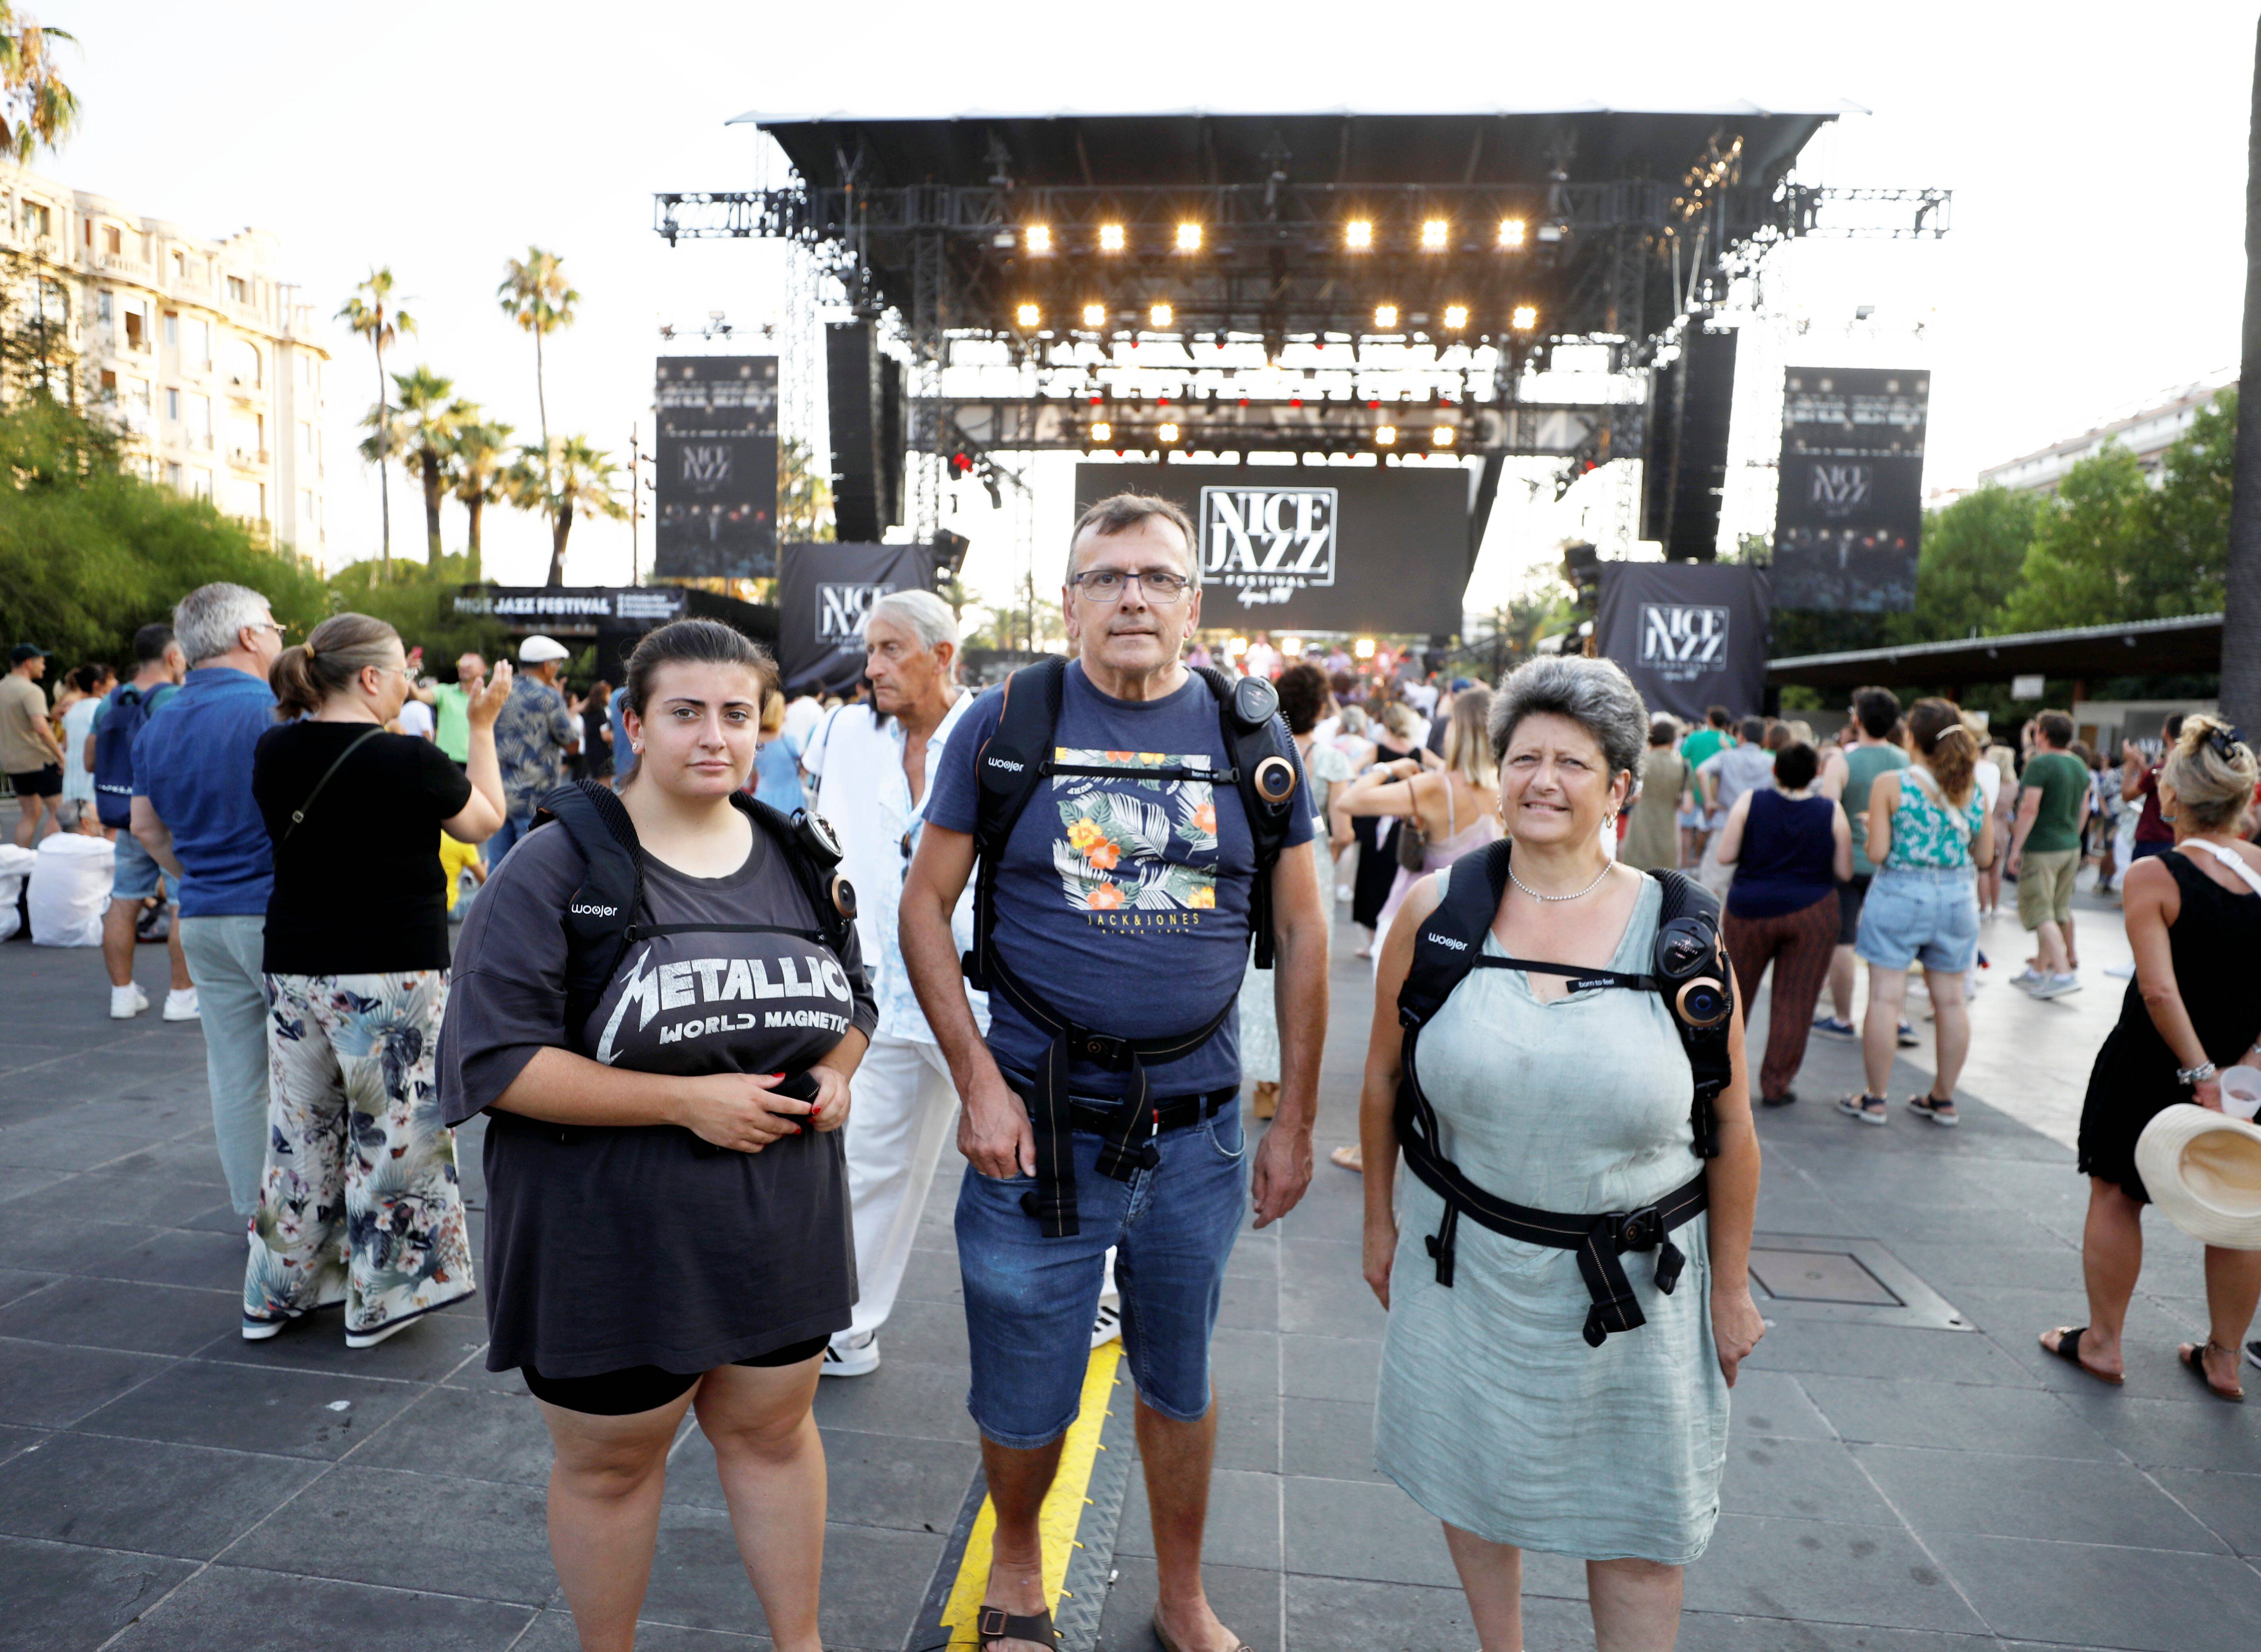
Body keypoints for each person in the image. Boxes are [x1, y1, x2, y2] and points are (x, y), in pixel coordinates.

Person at [900, 493, 1325, 1652]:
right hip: (1034, 1131)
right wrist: (976, 1082)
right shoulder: (1006, 722)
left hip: (1197, 1134)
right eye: (1107, 577)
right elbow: (924, 907)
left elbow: (1304, 936)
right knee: (1022, 1379)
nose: (1132, 596)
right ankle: (1018, 1565)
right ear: (1070, 601)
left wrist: (1292, 1120)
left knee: (1179, 1376)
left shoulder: (1251, 739)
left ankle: (1182, 1593)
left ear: (1192, 603)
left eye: (1158, 577)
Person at [438, 619, 874, 1652]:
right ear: (632, 725)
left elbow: (854, 1002)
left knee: (773, 1436)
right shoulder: (553, 869)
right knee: (612, 1467)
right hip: (609, 1243)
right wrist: (685, 1102)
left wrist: (837, 1073)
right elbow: (495, 1062)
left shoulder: (796, 855)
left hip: (776, 1233)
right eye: (684, 712)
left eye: (735, 713)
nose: (714, 735)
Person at [1358, 655, 1764, 1652]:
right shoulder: (1436, 913)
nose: (1542, 779)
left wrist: (1731, 1287)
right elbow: (1381, 1080)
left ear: (1619, 786)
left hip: (1640, 1290)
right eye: (1524, 757)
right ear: (1497, 772)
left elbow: (1731, 1126)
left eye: (1572, 762)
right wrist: (1377, 1223)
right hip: (1465, 1267)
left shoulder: (1681, 935)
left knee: (1639, 1525)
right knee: (1472, 1480)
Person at [241, 613, 508, 1344]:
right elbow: (484, 822)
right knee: (395, 1133)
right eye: (402, 673)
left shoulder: (274, 748)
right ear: (369, 677)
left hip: (294, 963)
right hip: (389, 971)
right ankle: (384, 1300)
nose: (408, 687)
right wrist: (481, 726)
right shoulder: (407, 758)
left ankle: (277, 1295)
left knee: (299, 1130)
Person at [2042, 717, 2261, 1400]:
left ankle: (2103, 1344)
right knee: (2240, 1209)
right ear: (2244, 797)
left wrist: (2198, 1074)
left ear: (2170, 795)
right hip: (2245, 1069)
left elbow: (2158, 990)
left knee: (2114, 1192)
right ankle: (2223, 1359)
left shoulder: (2153, 874)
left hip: (2150, 1059)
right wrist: (2245, 1063)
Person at [800, 589, 984, 1377]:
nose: (871, 667)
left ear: (942, 656)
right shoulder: (845, 731)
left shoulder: (994, 733)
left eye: (889, 650)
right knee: (871, 1156)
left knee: (1025, 1149)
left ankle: (1100, 1291)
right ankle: (846, 1325)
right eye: (868, 649)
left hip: (983, 995)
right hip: (884, 987)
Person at [130, 584, 286, 1214]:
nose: (279, 638)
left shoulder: (159, 720)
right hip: (279, 914)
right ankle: (311, 1225)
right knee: (313, 1072)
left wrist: (193, 871)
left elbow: (145, 828)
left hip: (203, 914)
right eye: (274, 627)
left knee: (236, 1076)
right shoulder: (276, 711)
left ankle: (257, 1214)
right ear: (249, 636)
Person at [1839, 699, 1995, 1127]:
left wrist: (1873, 828)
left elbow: (1877, 853)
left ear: (1911, 737)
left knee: (1885, 998)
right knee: (1951, 1001)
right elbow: (1985, 857)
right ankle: (1943, 1100)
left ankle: (1875, 1099)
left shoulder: (1892, 784)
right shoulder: (1973, 789)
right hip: (1958, 899)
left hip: (1900, 894)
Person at [1241, 663, 1353, 1120]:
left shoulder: (1258, 751)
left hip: (1262, 862)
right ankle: (1290, 1075)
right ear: (1320, 707)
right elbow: (1344, 829)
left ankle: (1263, 1078)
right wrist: (1331, 852)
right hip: (1312, 865)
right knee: (1303, 958)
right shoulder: (1331, 761)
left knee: (1260, 965)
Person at [1713, 741, 1851, 1107]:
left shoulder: (1750, 802)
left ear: (1774, 771)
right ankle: (1776, 1083)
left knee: (1735, 995)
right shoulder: (1831, 811)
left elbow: (1725, 855)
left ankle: (1718, 1079)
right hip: (1812, 913)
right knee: (1796, 1000)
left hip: (1750, 910)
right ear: (1816, 774)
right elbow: (1844, 870)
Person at [1341, 688, 1503, 958]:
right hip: (1472, 932)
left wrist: (1389, 768)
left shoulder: (1437, 788)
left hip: (1413, 926)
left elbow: (1350, 800)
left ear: (1459, 731)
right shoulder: (1506, 791)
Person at [96, 627, 193, 1021]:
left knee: (124, 900)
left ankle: (122, 994)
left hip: (125, 813)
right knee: (182, 902)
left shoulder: (111, 700)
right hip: (170, 817)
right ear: (173, 656)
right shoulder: (177, 699)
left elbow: (90, 760)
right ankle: (182, 997)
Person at [1817, 688, 1911, 1043]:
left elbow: (1827, 813)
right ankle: (1897, 1017)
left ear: (1856, 719)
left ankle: (1843, 1018)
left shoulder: (1842, 762)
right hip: (1890, 864)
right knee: (1892, 945)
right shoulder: (1905, 762)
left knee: (1843, 941)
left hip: (1847, 864)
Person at [2005, 711, 2091, 999]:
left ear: (2042, 734)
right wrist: (2073, 836)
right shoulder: (2078, 764)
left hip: (2042, 848)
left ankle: (2063, 973)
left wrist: (2015, 848)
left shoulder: (2040, 764)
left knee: (2040, 911)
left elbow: (2029, 808)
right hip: (2070, 846)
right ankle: (2038, 971)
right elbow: (2084, 808)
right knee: (2057, 910)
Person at [489, 634, 579, 862]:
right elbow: (572, 745)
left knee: (497, 870)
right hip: (534, 801)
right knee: (532, 868)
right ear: (547, 666)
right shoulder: (548, 697)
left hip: (498, 796)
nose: (557, 670)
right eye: (557, 665)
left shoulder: (498, 691)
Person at [1349, 703, 1421, 958]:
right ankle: (1393, 941)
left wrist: (1373, 780)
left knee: (1371, 878)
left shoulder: (1378, 749)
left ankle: (1373, 942)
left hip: (1378, 821)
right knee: (1397, 879)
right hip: (1404, 824)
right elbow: (1445, 767)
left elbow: (1351, 770)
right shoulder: (1416, 752)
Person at [1694, 716, 1776, 897]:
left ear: (1740, 736)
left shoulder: (1726, 757)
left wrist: (1709, 801)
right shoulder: (1771, 762)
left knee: (1712, 885)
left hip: (1725, 823)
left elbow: (1701, 771)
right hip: (1759, 829)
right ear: (1764, 739)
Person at [3, 643, 65, 846]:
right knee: (59, 812)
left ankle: (21, 861)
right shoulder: (30, 691)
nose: (44, 667)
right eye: (42, 662)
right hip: (39, 761)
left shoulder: (2, 688)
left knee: (30, 814)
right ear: (29, 663)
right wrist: (60, 757)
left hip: (14, 763)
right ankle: (50, 857)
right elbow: (41, 728)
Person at [1620, 716, 1690, 873]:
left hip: (1640, 827)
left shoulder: (1641, 762)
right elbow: (1688, 807)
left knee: (1634, 876)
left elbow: (1630, 795)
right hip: (1668, 831)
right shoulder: (1683, 766)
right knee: (1664, 877)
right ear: (1673, 740)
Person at [2122, 714, 2187, 866]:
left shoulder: (2162, 768)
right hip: (2177, 839)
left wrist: (2131, 765)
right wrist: (2143, 767)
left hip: (2152, 839)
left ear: (2166, 732)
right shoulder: (2187, 767)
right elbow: (2155, 783)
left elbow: (2127, 795)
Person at [1677, 705, 1732, 867]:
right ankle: (1701, 861)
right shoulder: (1730, 742)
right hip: (1717, 794)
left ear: (1709, 720)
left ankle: (1684, 865)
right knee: (1711, 829)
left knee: (1686, 828)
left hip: (1692, 789)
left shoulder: (1694, 738)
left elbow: (1681, 759)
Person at [751, 687, 807, 814]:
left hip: (763, 798)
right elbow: (807, 762)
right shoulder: (787, 740)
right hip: (791, 799)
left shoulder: (754, 742)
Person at [428, 650, 487, 768]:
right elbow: (419, 695)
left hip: (477, 763)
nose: (463, 667)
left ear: (483, 670)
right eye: (461, 664)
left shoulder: (489, 698)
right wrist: (406, 672)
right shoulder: (444, 692)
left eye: (469, 665)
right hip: (446, 761)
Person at [581, 676, 615, 783]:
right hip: (602, 755)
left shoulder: (588, 712)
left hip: (591, 752)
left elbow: (584, 732)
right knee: (606, 784)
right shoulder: (602, 712)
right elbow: (606, 736)